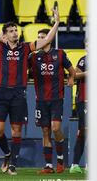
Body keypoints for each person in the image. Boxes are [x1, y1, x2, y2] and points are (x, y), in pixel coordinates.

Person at [0, 6, 60, 175]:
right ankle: (8, 154)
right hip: (1, 94)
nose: (15, 33)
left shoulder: (26, 48)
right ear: (5, 34)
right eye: (11, 31)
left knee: (16, 131)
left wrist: (57, 22)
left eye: (16, 30)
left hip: (18, 94)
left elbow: (46, 40)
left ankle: (13, 165)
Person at [29, 29, 75, 174]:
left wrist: (72, 78)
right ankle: (49, 166)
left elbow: (71, 70)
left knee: (55, 128)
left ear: (49, 38)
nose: (40, 40)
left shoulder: (60, 54)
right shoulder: (33, 57)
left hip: (56, 98)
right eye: (38, 38)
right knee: (45, 131)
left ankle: (60, 161)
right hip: (41, 100)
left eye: (42, 37)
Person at [69, 54, 87, 173]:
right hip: (85, 99)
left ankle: (75, 164)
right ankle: (76, 164)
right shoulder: (84, 60)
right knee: (85, 130)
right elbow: (74, 74)